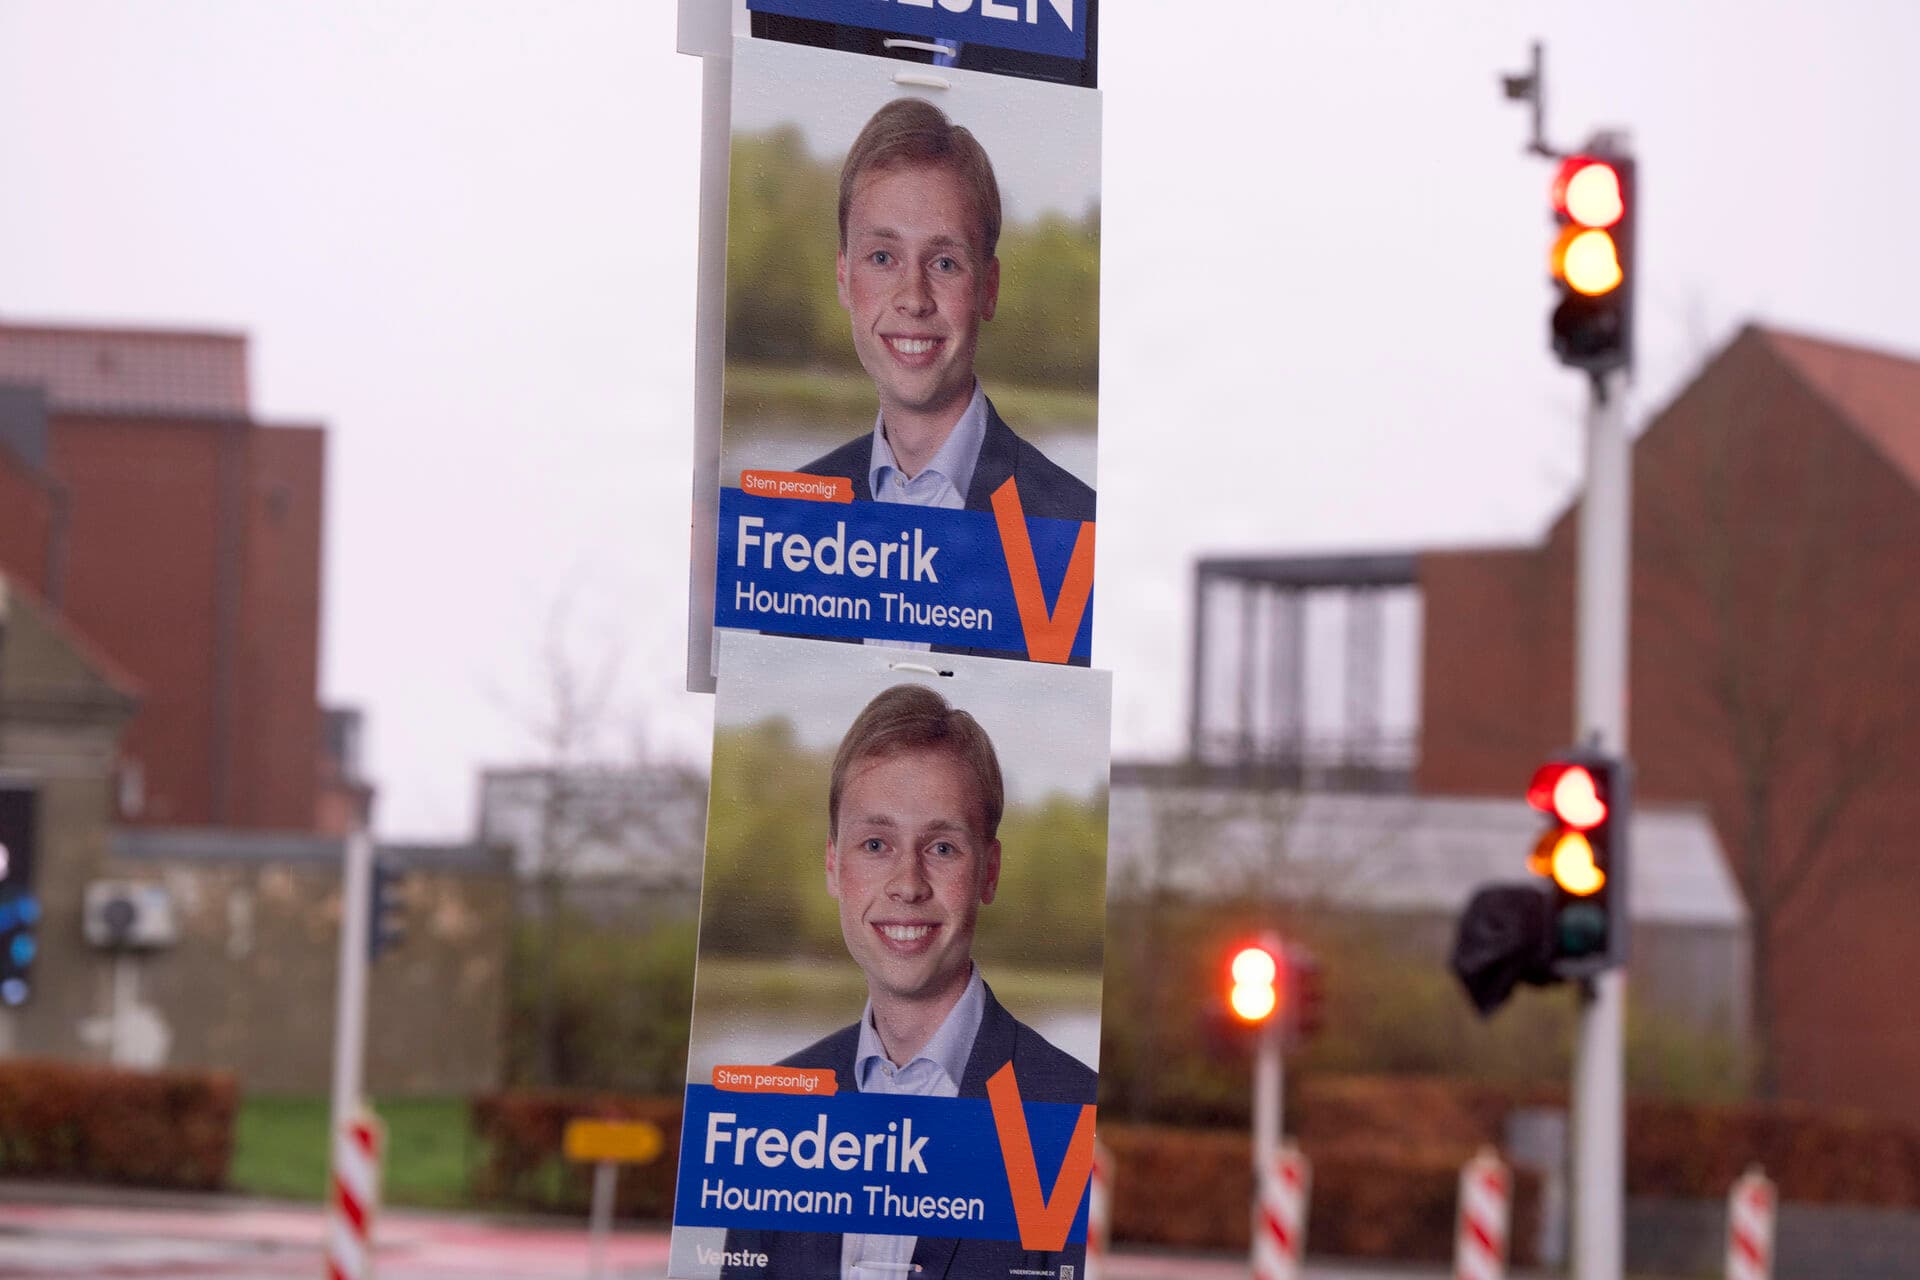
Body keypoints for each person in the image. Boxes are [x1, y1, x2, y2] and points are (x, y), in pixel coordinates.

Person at [721, 683, 1095, 1280]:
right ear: (833, 865)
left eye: (942, 847)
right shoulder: (775, 1110)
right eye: (876, 844)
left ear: (989, 873)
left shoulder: (1075, 1113)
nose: (907, 883)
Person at [800, 97, 1096, 527]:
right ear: (843, 276)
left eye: (944, 263)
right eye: (883, 258)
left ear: (988, 288)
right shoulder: (792, 512)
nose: (914, 299)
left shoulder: (1075, 524)